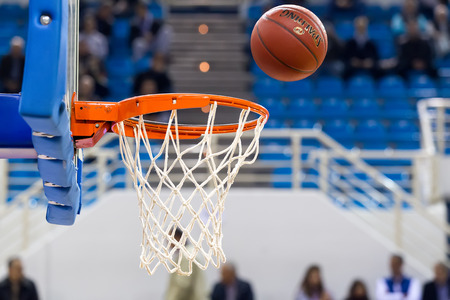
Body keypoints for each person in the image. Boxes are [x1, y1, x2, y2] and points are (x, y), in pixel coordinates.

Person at [165, 228, 208, 300]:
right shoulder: (189, 253)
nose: (168, 243)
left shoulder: (186, 256)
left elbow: (183, 285)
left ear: (178, 238)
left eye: (169, 239)